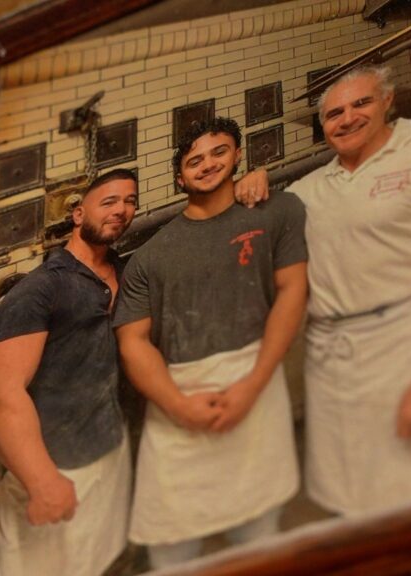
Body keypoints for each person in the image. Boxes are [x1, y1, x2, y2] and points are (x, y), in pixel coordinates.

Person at [250, 66, 411, 517]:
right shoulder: (307, 191)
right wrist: (249, 183)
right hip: (332, 368)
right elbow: (255, 232)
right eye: (333, 113)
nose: (346, 118)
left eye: (360, 103)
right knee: (352, 508)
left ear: (388, 101)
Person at [113, 117, 309, 568]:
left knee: (260, 538)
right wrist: (180, 406)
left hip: (256, 387)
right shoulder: (150, 256)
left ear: (238, 155)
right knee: (171, 549)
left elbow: (292, 293)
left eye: (218, 152)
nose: (207, 165)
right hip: (177, 398)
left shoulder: (277, 213)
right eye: (194, 160)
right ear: (179, 177)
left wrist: (253, 384)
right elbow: (133, 343)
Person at [0, 169, 138, 576]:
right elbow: (3, 397)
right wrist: (41, 481)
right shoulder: (39, 291)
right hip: (55, 467)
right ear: (77, 214)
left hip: (107, 450)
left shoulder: (122, 272)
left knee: (99, 564)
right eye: (109, 201)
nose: (122, 210)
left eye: (129, 201)